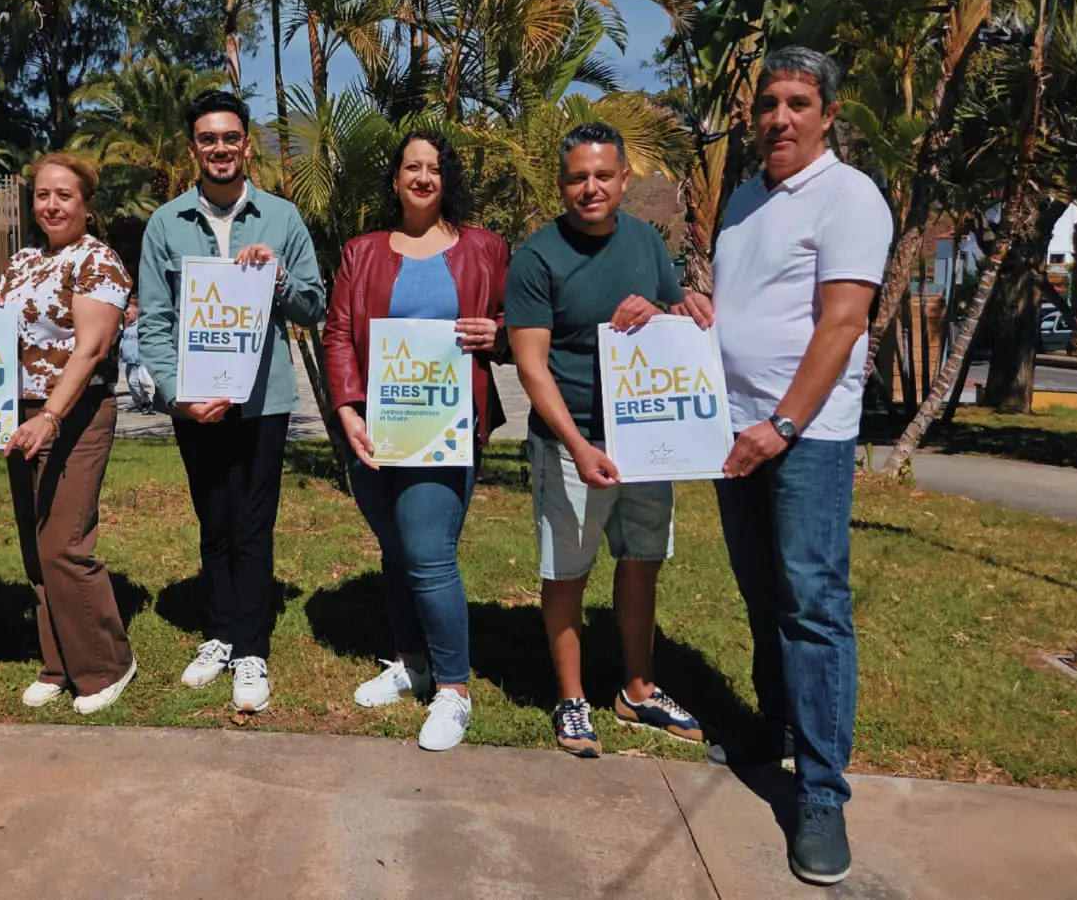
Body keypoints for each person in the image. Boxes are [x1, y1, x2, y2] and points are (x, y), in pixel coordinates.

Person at [708, 47, 891, 886]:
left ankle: (820, 793)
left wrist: (781, 424)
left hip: (802, 438)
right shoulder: (745, 199)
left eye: (797, 103)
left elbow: (840, 326)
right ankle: (775, 724)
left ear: (826, 114)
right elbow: (743, 305)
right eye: (767, 104)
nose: (778, 118)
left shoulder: (850, 198)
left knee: (813, 605)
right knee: (761, 591)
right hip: (731, 433)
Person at [504, 122, 711, 758]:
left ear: (623, 179)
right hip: (572, 442)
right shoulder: (536, 257)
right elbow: (532, 366)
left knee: (641, 562)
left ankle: (637, 690)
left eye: (602, 175)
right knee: (568, 571)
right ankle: (571, 700)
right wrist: (576, 445)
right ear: (561, 183)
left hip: (646, 437)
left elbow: (673, 318)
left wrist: (685, 308)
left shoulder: (648, 242)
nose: (590, 188)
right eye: (576, 177)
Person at [137, 90, 325, 713]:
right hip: (197, 403)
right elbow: (156, 323)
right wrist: (175, 396)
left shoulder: (282, 219)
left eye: (230, 138)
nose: (220, 148)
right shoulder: (167, 224)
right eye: (208, 139)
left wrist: (278, 276)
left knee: (251, 525)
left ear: (247, 145)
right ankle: (218, 633)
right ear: (194, 149)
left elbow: (313, 306)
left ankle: (252, 649)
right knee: (213, 521)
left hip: (263, 400)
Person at [322, 130, 508, 752]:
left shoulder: (485, 249)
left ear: (445, 178)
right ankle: (413, 663)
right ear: (396, 179)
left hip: (447, 428)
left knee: (428, 552)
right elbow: (340, 333)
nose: (423, 177)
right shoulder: (362, 252)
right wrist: (347, 408)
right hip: (376, 428)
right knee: (396, 548)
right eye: (412, 167)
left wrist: (497, 333)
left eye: (434, 167)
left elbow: (521, 320)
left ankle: (453, 690)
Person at [0, 153, 138, 715]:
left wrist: (51, 416)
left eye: (64, 195)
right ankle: (58, 662)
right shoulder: (21, 261)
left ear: (87, 204)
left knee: (65, 542)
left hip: (74, 413)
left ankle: (107, 663)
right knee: (37, 544)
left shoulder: (97, 261)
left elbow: (93, 348)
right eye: (42, 195)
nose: (51, 205)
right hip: (21, 413)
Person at [120, 294, 156, 413]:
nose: (126, 315)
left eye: (128, 313)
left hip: (139, 360)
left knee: (138, 383)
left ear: (136, 311)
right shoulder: (128, 326)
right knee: (132, 384)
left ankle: (147, 403)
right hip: (129, 360)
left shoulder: (140, 325)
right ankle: (139, 404)